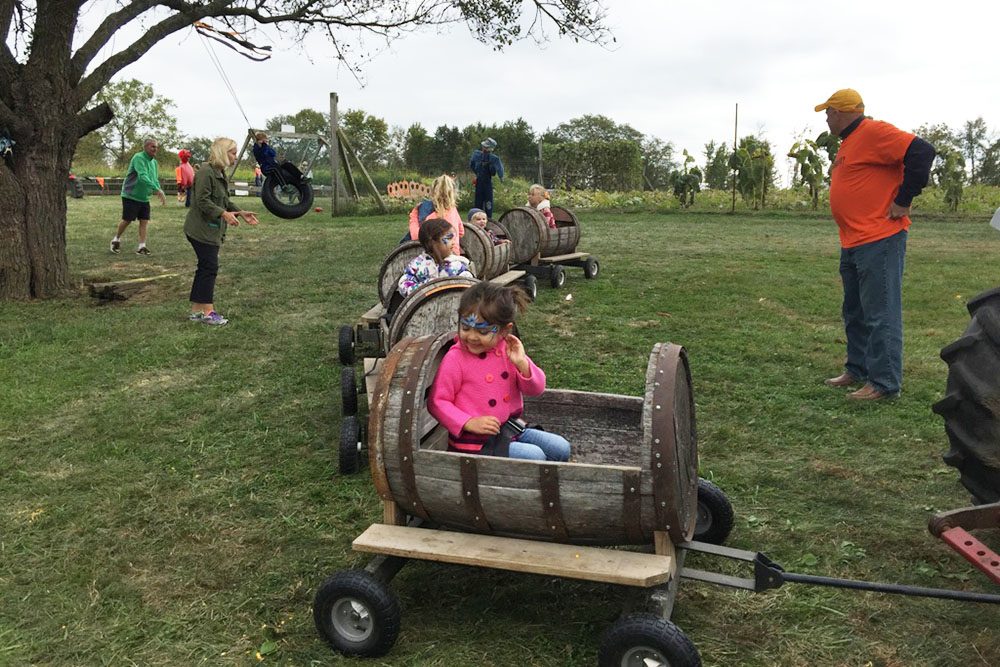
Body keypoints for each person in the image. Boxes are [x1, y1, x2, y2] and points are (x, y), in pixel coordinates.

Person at [815, 88, 935, 401]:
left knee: (881, 312)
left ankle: (884, 384)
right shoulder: (849, 143)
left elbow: (922, 151)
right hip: (853, 240)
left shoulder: (874, 131)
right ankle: (858, 369)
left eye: (828, 113)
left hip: (879, 238)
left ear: (840, 112)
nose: (826, 119)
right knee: (854, 310)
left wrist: (904, 199)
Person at [428, 281, 571, 461]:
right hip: (474, 441)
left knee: (561, 448)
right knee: (535, 457)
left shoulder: (507, 351)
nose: (471, 336)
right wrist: (468, 422)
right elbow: (438, 402)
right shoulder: (456, 359)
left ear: (505, 330)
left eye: (483, 331)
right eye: (465, 327)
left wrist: (521, 364)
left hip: (508, 429)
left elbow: (537, 389)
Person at [183, 137, 260, 326]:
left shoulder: (220, 172)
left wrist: (240, 212)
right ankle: (208, 312)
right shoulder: (206, 173)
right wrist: (224, 214)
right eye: (233, 153)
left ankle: (196, 312)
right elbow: (201, 201)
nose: (235, 157)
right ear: (222, 153)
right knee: (210, 268)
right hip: (200, 230)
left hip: (211, 230)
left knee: (205, 267)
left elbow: (223, 200)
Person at [110, 138, 167, 255]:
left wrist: (160, 190)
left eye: (156, 147)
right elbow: (142, 176)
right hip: (131, 195)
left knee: (144, 221)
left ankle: (142, 247)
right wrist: (156, 189)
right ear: (145, 148)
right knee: (127, 219)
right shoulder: (138, 158)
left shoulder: (154, 162)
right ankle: (116, 239)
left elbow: (154, 179)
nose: (155, 149)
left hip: (144, 197)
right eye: (152, 147)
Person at [397, 219, 473, 297]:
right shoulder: (417, 265)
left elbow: (468, 279)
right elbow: (404, 284)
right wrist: (425, 288)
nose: (453, 242)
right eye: (449, 238)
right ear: (433, 242)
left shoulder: (455, 264)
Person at [406, 174, 464, 255]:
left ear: (433, 192)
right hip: (454, 254)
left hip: (439, 257)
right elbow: (461, 232)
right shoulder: (453, 210)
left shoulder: (432, 217)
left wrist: (414, 216)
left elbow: (417, 237)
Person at [469, 137, 504, 220]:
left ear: (491, 149)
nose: (485, 149)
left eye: (487, 147)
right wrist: (477, 172)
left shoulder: (494, 159)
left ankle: (489, 218)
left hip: (487, 182)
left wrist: (501, 176)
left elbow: (499, 169)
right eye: (484, 147)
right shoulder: (477, 154)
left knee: (488, 202)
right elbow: (472, 165)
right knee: (478, 202)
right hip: (479, 182)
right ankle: (476, 218)